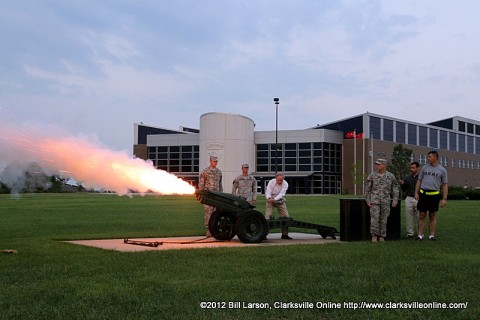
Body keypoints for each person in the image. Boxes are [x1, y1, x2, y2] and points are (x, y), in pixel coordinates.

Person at [414, 151, 448, 241]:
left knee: (432, 215)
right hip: (423, 195)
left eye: (429, 156)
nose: (427, 158)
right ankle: (420, 235)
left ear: (435, 157)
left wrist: (444, 198)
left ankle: (431, 236)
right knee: (422, 215)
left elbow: (444, 185)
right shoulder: (424, 168)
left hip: (434, 196)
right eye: (427, 156)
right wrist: (416, 193)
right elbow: (419, 181)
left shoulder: (442, 170)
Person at [365, 158, 399, 242]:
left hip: (386, 201)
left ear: (383, 165)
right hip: (375, 201)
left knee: (384, 219)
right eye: (376, 164)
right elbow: (367, 189)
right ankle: (374, 236)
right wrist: (368, 200)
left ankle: (382, 236)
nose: (377, 166)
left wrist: (395, 200)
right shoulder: (372, 176)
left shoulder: (391, 176)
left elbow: (395, 188)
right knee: (374, 219)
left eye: (379, 164)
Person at [198, 155, 223, 237]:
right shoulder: (205, 171)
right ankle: (208, 230)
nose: (215, 163)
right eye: (214, 161)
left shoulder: (219, 172)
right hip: (208, 197)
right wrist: (202, 195)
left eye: (216, 161)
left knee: (216, 213)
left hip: (217, 197)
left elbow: (220, 185)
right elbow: (201, 185)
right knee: (208, 213)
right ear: (210, 161)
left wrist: (221, 196)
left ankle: (215, 229)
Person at [265, 172, 292, 240]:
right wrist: (269, 198)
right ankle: (264, 235)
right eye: (278, 180)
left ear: (283, 179)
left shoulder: (285, 184)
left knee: (285, 217)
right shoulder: (271, 182)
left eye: (281, 180)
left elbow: (282, 194)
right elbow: (268, 191)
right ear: (275, 178)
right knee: (267, 217)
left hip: (279, 200)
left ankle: (284, 235)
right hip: (270, 199)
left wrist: (274, 200)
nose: (279, 181)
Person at [399, 162, 420, 238]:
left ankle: (420, 233)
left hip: (419, 199)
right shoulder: (407, 178)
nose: (412, 169)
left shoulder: (421, 178)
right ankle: (410, 233)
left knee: (419, 217)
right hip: (409, 199)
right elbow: (404, 189)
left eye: (413, 168)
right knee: (409, 217)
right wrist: (402, 184)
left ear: (417, 168)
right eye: (411, 168)